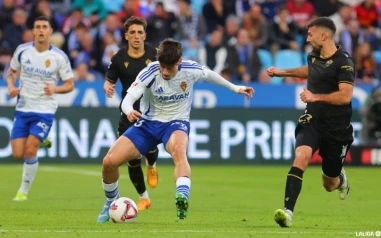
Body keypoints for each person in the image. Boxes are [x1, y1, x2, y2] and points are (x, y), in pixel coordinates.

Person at [97, 38, 254, 222]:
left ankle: (182, 196)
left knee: (179, 151)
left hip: (176, 122)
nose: (164, 71)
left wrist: (235, 88)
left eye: (169, 68)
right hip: (147, 123)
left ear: (179, 62)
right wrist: (129, 111)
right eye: (162, 66)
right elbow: (128, 99)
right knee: (109, 161)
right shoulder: (150, 71)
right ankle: (111, 201)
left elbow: (210, 75)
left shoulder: (190, 69)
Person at [267, 17, 354, 227]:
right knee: (301, 156)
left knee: (329, 184)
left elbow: (345, 96)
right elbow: (309, 69)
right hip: (312, 119)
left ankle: (340, 179)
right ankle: (287, 212)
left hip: (336, 128)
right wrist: (282, 72)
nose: (307, 38)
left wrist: (316, 97)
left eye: (310, 34)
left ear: (323, 36)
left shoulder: (344, 62)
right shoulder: (313, 56)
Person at [7, 16, 74, 201]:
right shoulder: (22, 51)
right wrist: (11, 87)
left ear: (50, 31)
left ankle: (23, 191)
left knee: (30, 151)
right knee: (17, 154)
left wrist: (55, 88)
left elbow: (70, 84)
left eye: (45, 27)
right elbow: (11, 72)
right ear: (33, 31)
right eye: (38, 27)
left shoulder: (59, 57)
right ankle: (44, 139)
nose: (42, 30)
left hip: (45, 109)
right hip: (23, 108)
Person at [103, 16, 159, 211]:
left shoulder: (155, 54)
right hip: (128, 113)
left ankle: (152, 165)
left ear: (145, 35)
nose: (136, 36)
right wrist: (108, 87)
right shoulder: (119, 58)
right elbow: (109, 80)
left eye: (140, 32)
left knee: (150, 150)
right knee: (132, 159)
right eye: (132, 33)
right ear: (126, 36)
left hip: (152, 113)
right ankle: (143, 197)